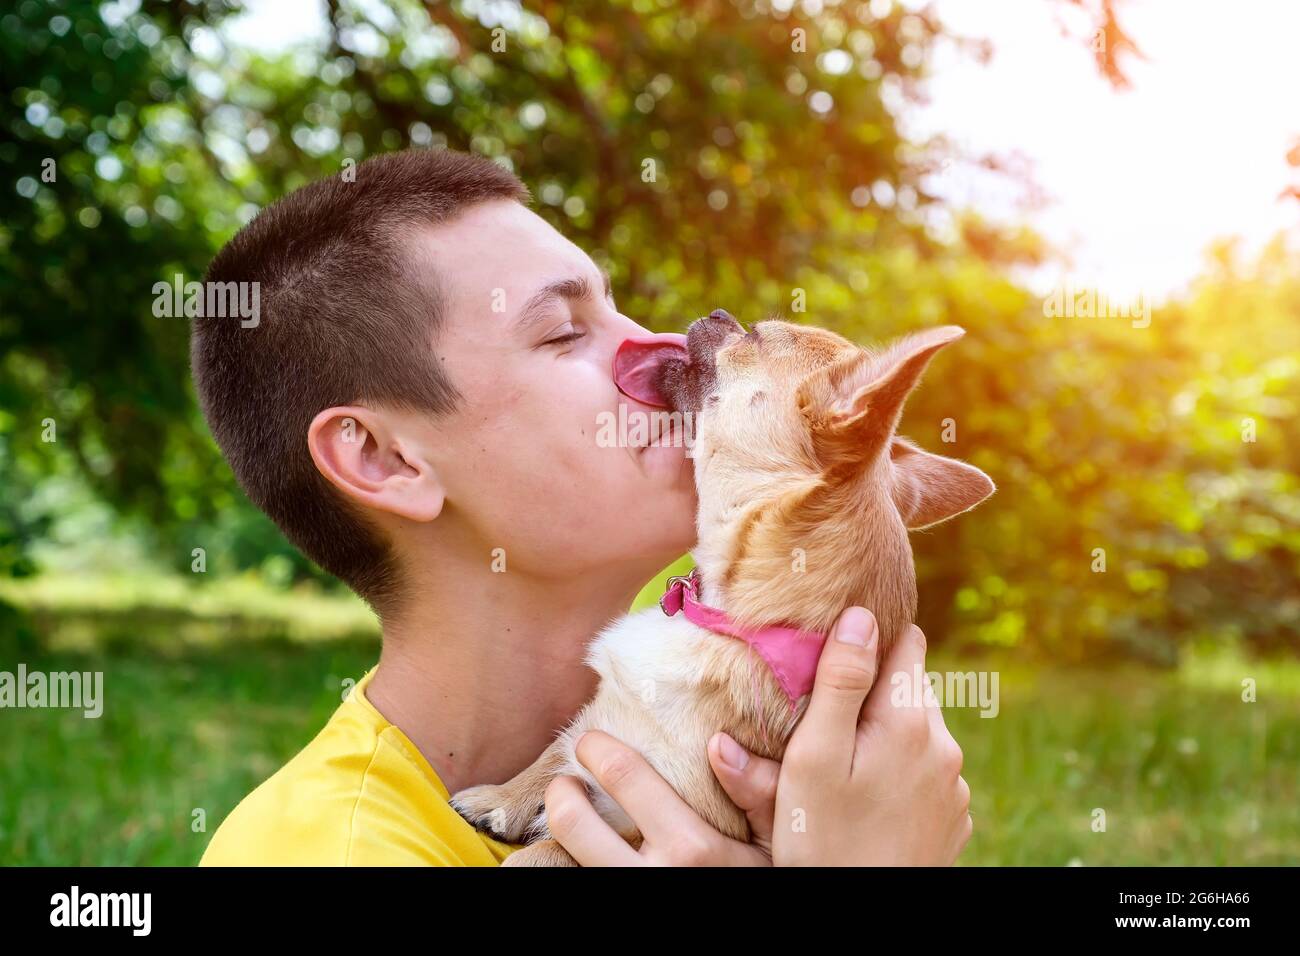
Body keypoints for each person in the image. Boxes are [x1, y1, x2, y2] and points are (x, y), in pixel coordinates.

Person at [193, 149, 971, 866]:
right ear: (385, 458)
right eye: (564, 333)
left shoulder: (788, 764)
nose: (662, 345)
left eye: (620, 308)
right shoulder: (331, 852)